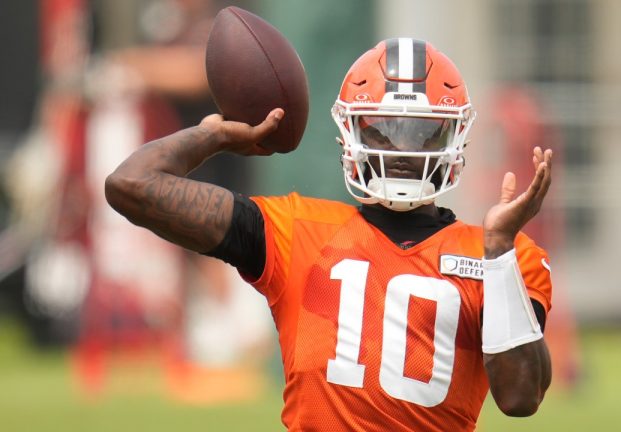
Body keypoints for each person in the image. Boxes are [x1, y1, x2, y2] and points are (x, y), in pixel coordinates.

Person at [105, 38, 554, 431]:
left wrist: (497, 254)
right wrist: (214, 136)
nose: (401, 150)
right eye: (381, 130)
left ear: (454, 138)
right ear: (349, 133)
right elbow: (130, 186)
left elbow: (521, 399)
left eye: (422, 134)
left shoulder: (503, 255)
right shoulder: (293, 231)